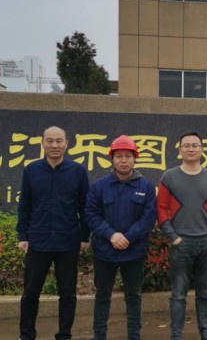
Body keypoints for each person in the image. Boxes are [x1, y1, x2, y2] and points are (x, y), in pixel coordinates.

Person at [16, 126, 90, 340]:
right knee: (30, 293)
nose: (54, 145)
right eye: (50, 141)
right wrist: (23, 235)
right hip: (38, 240)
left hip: (68, 241)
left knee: (67, 294)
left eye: (59, 141)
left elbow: (85, 206)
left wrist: (84, 236)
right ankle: (26, 335)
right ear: (42, 143)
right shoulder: (31, 170)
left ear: (67, 143)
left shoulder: (77, 171)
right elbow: (24, 205)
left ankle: (64, 335)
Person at [85, 135, 157, 340]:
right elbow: (91, 214)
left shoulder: (146, 187)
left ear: (135, 158)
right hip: (104, 251)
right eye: (119, 156)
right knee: (102, 295)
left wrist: (127, 238)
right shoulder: (100, 186)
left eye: (128, 156)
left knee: (133, 296)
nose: (123, 160)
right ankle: (99, 335)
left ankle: (134, 335)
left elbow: (148, 218)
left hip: (134, 252)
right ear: (112, 159)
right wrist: (111, 235)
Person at [157, 130, 207, 340]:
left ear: (202, 150)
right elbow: (161, 209)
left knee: (205, 295)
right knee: (178, 295)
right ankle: (176, 335)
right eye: (186, 145)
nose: (190, 149)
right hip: (181, 244)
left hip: (206, 243)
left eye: (195, 145)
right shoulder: (169, 177)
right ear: (179, 150)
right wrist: (173, 236)